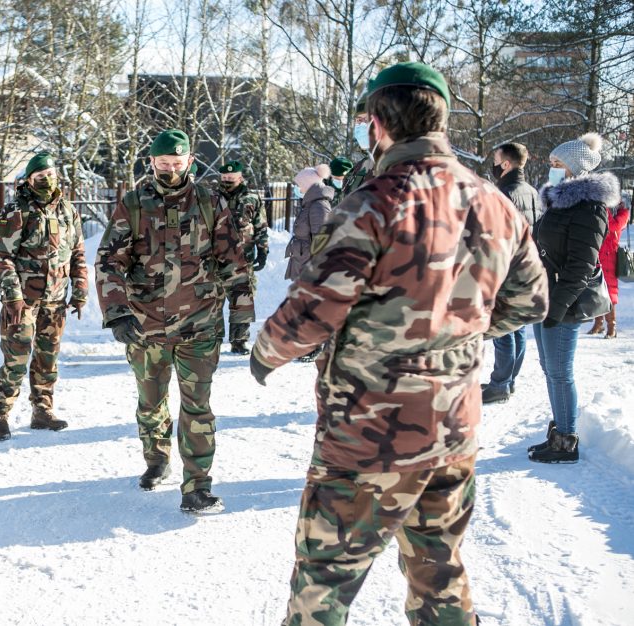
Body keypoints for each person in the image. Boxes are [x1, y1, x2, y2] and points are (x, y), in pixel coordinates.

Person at [248, 62, 547, 625]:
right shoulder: (495, 203)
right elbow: (531, 301)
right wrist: (458, 329)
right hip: (453, 426)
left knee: (325, 581)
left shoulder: (374, 202)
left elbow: (317, 307)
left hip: (368, 434)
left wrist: (266, 353)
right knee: (440, 572)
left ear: (379, 123)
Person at [95, 128, 254, 513]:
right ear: (151, 163)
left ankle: (197, 486)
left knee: (197, 405)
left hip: (200, 323)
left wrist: (242, 314)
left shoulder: (209, 201)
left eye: (176, 163)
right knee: (152, 402)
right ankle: (157, 457)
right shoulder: (133, 204)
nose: (169, 170)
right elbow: (109, 261)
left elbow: (233, 259)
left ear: (189, 163)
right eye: (162, 163)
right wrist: (116, 312)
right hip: (145, 325)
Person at [529, 133, 618, 463]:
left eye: (557, 164)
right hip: (545, 297)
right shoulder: (558, 202)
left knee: (561, 370)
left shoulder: (589, 209)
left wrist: (558, 307)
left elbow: (580, 266)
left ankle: (567, 440)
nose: (551, 169)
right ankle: (559, 429)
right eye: (551, 163)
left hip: (564, 302)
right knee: (549, 368)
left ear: (575, 168)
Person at [0, 152, 88, 441]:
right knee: (16, 358)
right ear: (29, 180)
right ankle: (1, 413)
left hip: (55, 299)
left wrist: (80, 290)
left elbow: (78, 253)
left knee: (47, 358)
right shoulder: (16, 212)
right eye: (40, 176)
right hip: (23, 301)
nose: (47, 180)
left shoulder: (68, 210)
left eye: (51, 174)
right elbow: (1, 256)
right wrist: (12, 296)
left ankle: (42, 411)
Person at [482, 142, 541, 404]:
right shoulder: (531, 191)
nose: (493, 164)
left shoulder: (504, 192)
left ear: (506, 163)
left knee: (502, 329)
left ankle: (500, 384)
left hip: (505, 266)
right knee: (516, 327)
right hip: (526, 265)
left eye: (496, 159)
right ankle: (509, 380)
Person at [218, 159, 269, 355]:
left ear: (240, 178)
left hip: (242, 259)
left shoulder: (252, 199)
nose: (227, 180)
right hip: (215, 259)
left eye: (231, 178)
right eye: (224, 177)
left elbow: (260, 226)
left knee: (242, 301)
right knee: (212, 302)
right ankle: (211, 339)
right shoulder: (213, 198)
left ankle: (239, 341)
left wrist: (263, 250)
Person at [587, 196, 630, 338]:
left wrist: (623, 210)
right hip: (598, 257)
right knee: (596, 291)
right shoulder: (602, 216)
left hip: (609, 260)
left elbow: (617, 224)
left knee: (609, 293)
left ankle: (611, 326)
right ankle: (598, 323)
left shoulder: (612, 221)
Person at [284, 164, 334, 281]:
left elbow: (323, 241)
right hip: (303, 266)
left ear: (308, 186)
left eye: (300, 185)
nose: (298, 188)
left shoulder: (319, 206)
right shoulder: (311, 204)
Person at [341, 87, 375, 197]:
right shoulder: (358, 169)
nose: (361, 125)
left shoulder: (400, 169)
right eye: (358, 120)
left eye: (367, 119)